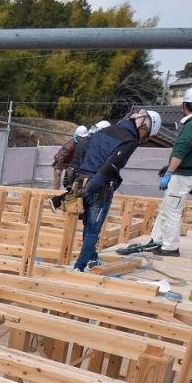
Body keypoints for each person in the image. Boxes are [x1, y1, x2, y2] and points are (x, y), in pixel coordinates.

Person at [65, 109, 161, 272]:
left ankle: (92, 258)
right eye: (146, 135)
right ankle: (79, 267)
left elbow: (83, 154)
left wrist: (80, 184)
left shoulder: (104, 131)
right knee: (92, 230)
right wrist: (91, 188)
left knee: (88, 225)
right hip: (99, 187)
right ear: (144, 127)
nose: (144, 139)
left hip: (83, 181)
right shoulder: (129, 140)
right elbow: (110, 167)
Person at [145, 87, 192, 257]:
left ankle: (170, 247)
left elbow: (180, 150)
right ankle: (157, 241)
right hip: (186, 172)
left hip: (182, 175)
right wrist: (169, 169)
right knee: (166, 209)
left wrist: (169, 171)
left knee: (172, 211)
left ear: (186, 105)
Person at [52, 126, 86, 190]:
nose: (84, 139)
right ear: (78, 136)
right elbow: (62, 156)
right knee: (58, 174)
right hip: (60, 159)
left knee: (73, 171)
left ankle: (71, 190)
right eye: (82, 137)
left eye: (84, 137)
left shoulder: (80, 143)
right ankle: (55, 192)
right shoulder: (71, 145)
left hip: (69, 160)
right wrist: (58, 167)